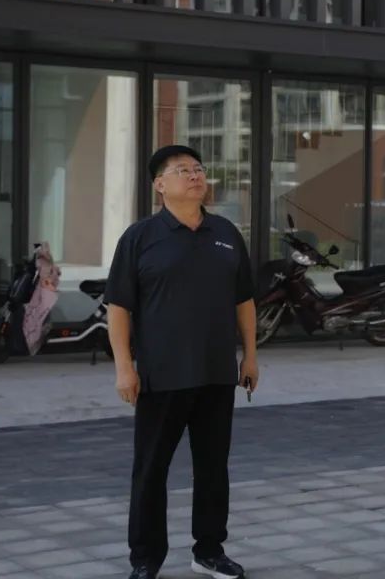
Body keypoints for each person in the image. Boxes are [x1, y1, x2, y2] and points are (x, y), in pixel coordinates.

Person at [105, 145, 258, 579]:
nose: (194, 176)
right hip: (161, 375)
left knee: (213, 468)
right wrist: (124, 367)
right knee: (151, 470)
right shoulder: (140, 237)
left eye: (198, 169)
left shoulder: (225, 233)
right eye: (182, 170)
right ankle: (145, 559)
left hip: (216, 373)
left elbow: (244, 300)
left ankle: (209, 551)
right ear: (160, 184)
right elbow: (119, 307)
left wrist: (250, 355)